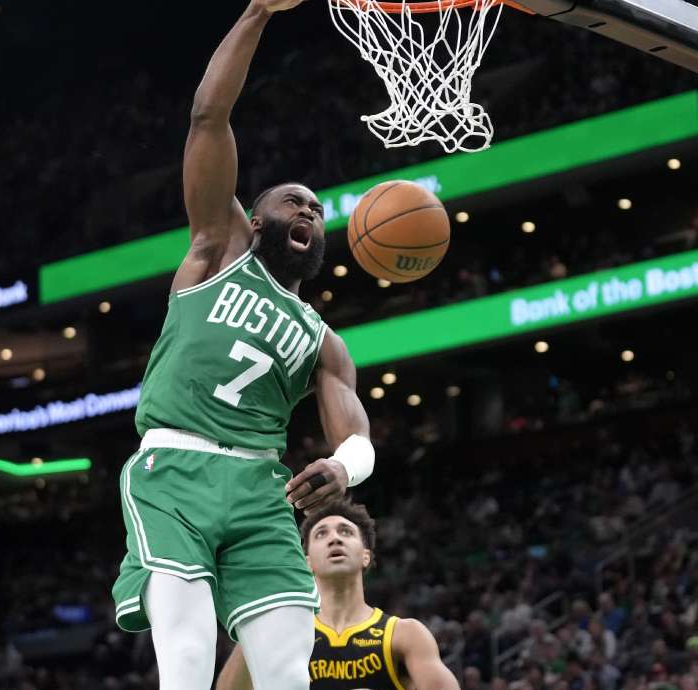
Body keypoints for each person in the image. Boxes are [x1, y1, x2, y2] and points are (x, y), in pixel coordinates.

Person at [109, 2, 375, 690]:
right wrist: (258, 11)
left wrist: (346, 471)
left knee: (290, 674)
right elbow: (207, 118)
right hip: (176, 469)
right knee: (191, 661)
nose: (309, 213)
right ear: (256, 219)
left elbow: (355, 435)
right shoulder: (218, 249)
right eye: (295, 202)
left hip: (262, 488)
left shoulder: (325, 341)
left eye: (317, 210)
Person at [216, 499, 459, 690]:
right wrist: (258, 622)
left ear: (366, 555)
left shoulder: (405, 633)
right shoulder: (283, 634)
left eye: (346, 532)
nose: (334, 539)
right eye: (321, 534)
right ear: (307, 561)